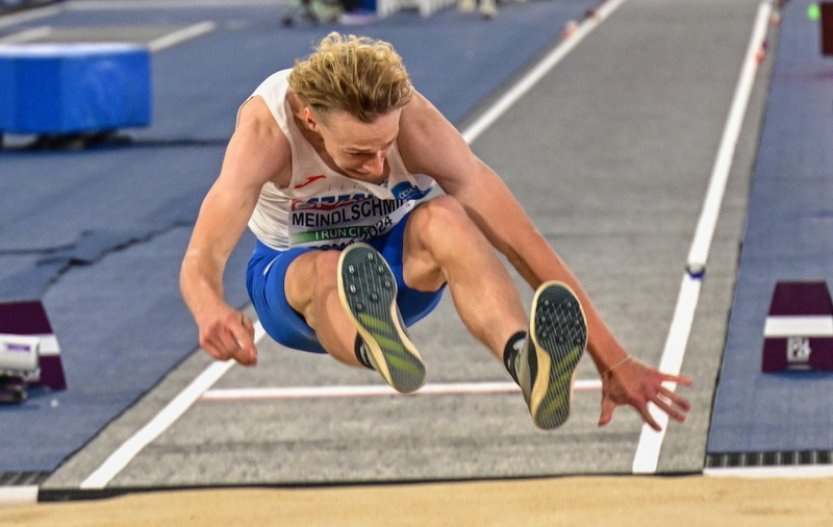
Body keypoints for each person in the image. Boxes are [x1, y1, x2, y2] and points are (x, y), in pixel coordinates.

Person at [180, 32, 691, 431]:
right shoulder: (267, 133)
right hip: (292, 288)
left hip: (395, 274)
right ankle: (374, 343)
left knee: (447, 216)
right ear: (311, 121)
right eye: (358, 153)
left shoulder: (420, 129)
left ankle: (526, 363)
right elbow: (202, 255)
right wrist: (210, 311)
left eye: (387, 144)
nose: (381, 166)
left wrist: (613, 359)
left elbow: (520, 241)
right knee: (332, 268)